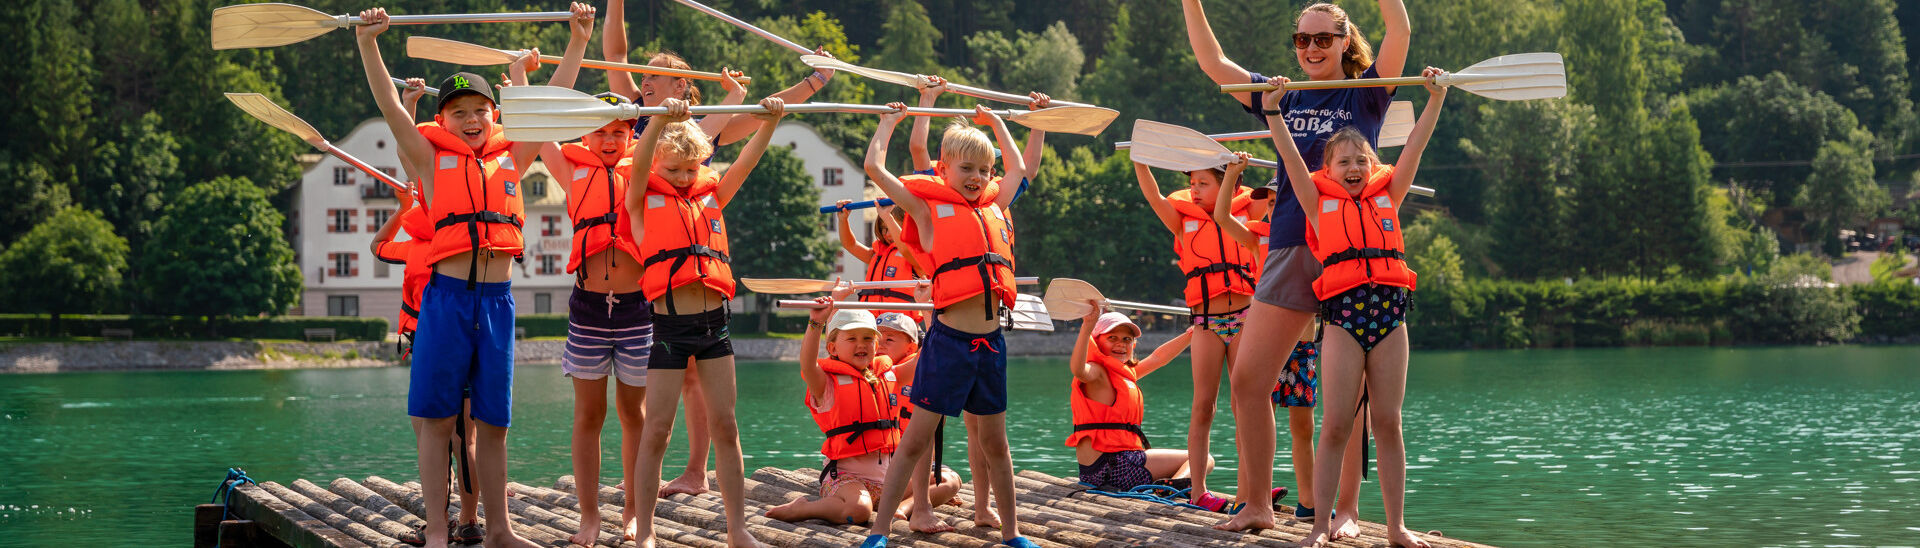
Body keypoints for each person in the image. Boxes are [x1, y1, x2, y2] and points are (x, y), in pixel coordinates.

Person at [354, 4, 594, 547]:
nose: (470, 119)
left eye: (480, 110)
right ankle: (438, 528)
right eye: (457, 111)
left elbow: (552, 101)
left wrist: (578, 40)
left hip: (497, 301)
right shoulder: (427, 156)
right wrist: (369, 43)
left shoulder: (515, 155)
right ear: (441, 121)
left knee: (494, 424)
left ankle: (499, 530)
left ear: (495, 114)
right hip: (445, 302)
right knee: (439, 420)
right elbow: (391, 106)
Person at [1181, 0, 1410, 532]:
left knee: (1348, 400)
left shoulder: (1368, 92)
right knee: (1248, 381)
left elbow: (1399, 27)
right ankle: (1257, 505)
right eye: (1301, 39)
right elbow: (1214, 63)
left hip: (1350, 254)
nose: (1311, 49)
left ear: (1344, 41)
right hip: (1288, 244)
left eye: (1323, 39)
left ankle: (1347, 510)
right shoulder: (1278, 93)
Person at [1266, 67, 1449, 548]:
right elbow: (1287, 153)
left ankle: (1395, 528)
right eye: (1342, 161)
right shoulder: (1314, 199)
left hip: (1390, 316)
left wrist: (1434, 98)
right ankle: (1319, 528)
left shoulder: (1389, 192)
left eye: (1360, 161)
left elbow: (1416, 148)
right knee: (1336, 424)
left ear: (1372, 166)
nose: (1352, 167)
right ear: (1326, 170)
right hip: (1344, 318)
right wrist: (1271, 109)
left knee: (1388, 421)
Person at [858, 104, 1038, 548]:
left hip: (991, 344)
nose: (977, 177)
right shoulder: (925, 210)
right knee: (917, 438)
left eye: (984, 169)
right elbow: (874, 168)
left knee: (996, 444)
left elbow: (1018, 168)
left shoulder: (995, 204)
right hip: (949, 342)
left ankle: (1012, 532)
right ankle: (880, 531)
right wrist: (888, 123)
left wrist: (997, 124)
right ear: (944, 169)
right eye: (967, 168)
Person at [623, 95, 786, 548]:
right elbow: (639, 162)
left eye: (690, 170)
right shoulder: (639, 199)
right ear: (657, 165)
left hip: (715, 325)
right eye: (672, 170)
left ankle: (738, 529)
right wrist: (658, 121)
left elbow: (746, 164)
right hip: (669, 330)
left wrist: (768, 124)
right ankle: (646, 531)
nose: (682, 178)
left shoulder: (711, 194)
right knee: (656, 429)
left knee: (727, 426)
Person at [533, 80, 655, 544]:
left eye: (619, 133)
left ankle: (632, 509)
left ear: (632, 138)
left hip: (637, 310)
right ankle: (589, 514)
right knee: (589, 415)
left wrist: (674, 110)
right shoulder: (569, 169)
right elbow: (538, 126)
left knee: (634, 413)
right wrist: (524, 85)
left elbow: (693, 138)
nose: (608, 141)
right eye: (599, 132)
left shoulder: (643, 170)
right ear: (584, 136)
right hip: (587, 310)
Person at [1130, 152, 1262, 512]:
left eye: (1203, 183)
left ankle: (1249, 492)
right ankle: (1198, 491)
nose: (1194, 190)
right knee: (1204, 405)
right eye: (1192, 183)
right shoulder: (1181, 219)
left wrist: (1237, 169)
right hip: (1206, 322)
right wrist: (1142, 159)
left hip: (1246, 318)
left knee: (1245, 407)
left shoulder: (1249, 211)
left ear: (1226, 185)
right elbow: (1154, 197)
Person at [1213, 164, 1333, 517]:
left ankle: (1308, 504)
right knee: (1254, 413)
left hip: (1302, 345)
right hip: (1267, 342)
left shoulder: (1316, 235)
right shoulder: (1257, 238)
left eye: (1280, 199)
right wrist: (1233, 175)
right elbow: (1221, 215)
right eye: (1268, 201)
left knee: (1303, 427)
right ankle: (1252, 496)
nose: (1272, 206)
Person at [1066, 304, 1199, 491]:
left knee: (1192, 461)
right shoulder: (1096, 373)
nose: (1120, 343)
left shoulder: (1125, 374)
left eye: (1127, 339)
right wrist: (1086, 327)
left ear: (1133, 345)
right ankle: (1169, 489)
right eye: (1112, 338)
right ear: (1096, 342)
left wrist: (1193, 332)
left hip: (1101, 471)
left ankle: (1169, 485)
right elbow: (1079, 370)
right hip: (1115, 468)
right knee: (1202, 459)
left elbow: (1158, 358)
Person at [871, 308, 964, 532]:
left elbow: (934, 351)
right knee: (950, 482)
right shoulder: (875, 373)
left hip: (908, 473)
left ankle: (904, 506)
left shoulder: (927, 378)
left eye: (889, 339)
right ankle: (905, 503)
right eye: (876, 339)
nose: (880, 345)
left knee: (949, 481)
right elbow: (933, 348)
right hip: (878, 474)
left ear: (911, 347)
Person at [835, 202, 926, 322]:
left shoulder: (917, 258)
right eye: (884, 228)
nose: (888, 234)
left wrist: (887, 216)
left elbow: (905, 249)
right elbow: (850, 245)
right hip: (871, 322)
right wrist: (843, 220)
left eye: (892, 226)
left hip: (901, 325)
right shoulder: (877, 255)